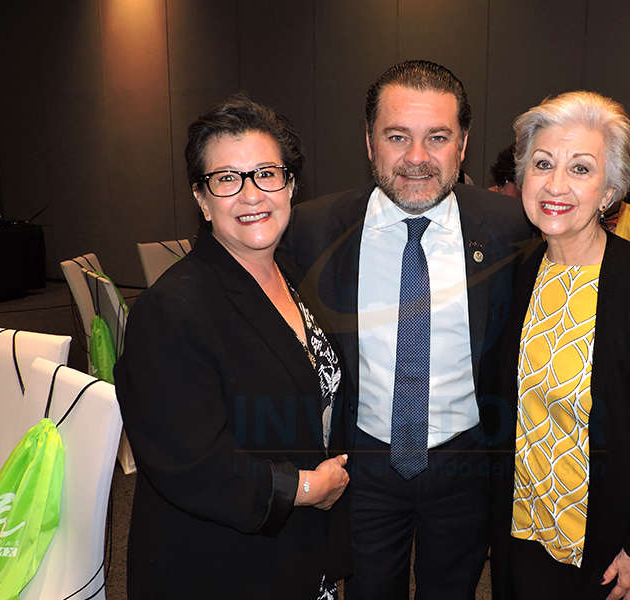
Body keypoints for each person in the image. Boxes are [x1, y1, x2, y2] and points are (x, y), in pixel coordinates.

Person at [285, 60, 534, 600]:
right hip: (362, 464)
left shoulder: (511, 228)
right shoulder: (312, 229)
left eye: (437, 137)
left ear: (462, 146)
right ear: (369, 142)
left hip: (467, 461)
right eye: (397, 136)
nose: (417, 157)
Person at [114, 93, 350, 599]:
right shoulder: (171, 309)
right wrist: (307, 488)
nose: (251, 194)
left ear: (290, 185)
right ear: (201, 199)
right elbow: (190, 464)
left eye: (266, 173)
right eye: (227, 179)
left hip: (297, 553)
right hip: (220, 564)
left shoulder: (291, 278)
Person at [492, 91, 630, 600]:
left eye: (580, 168)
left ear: (609, 191)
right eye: (543, 163)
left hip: (607, 549)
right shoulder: (519, 272)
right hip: (523, 532)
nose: (555, 184)